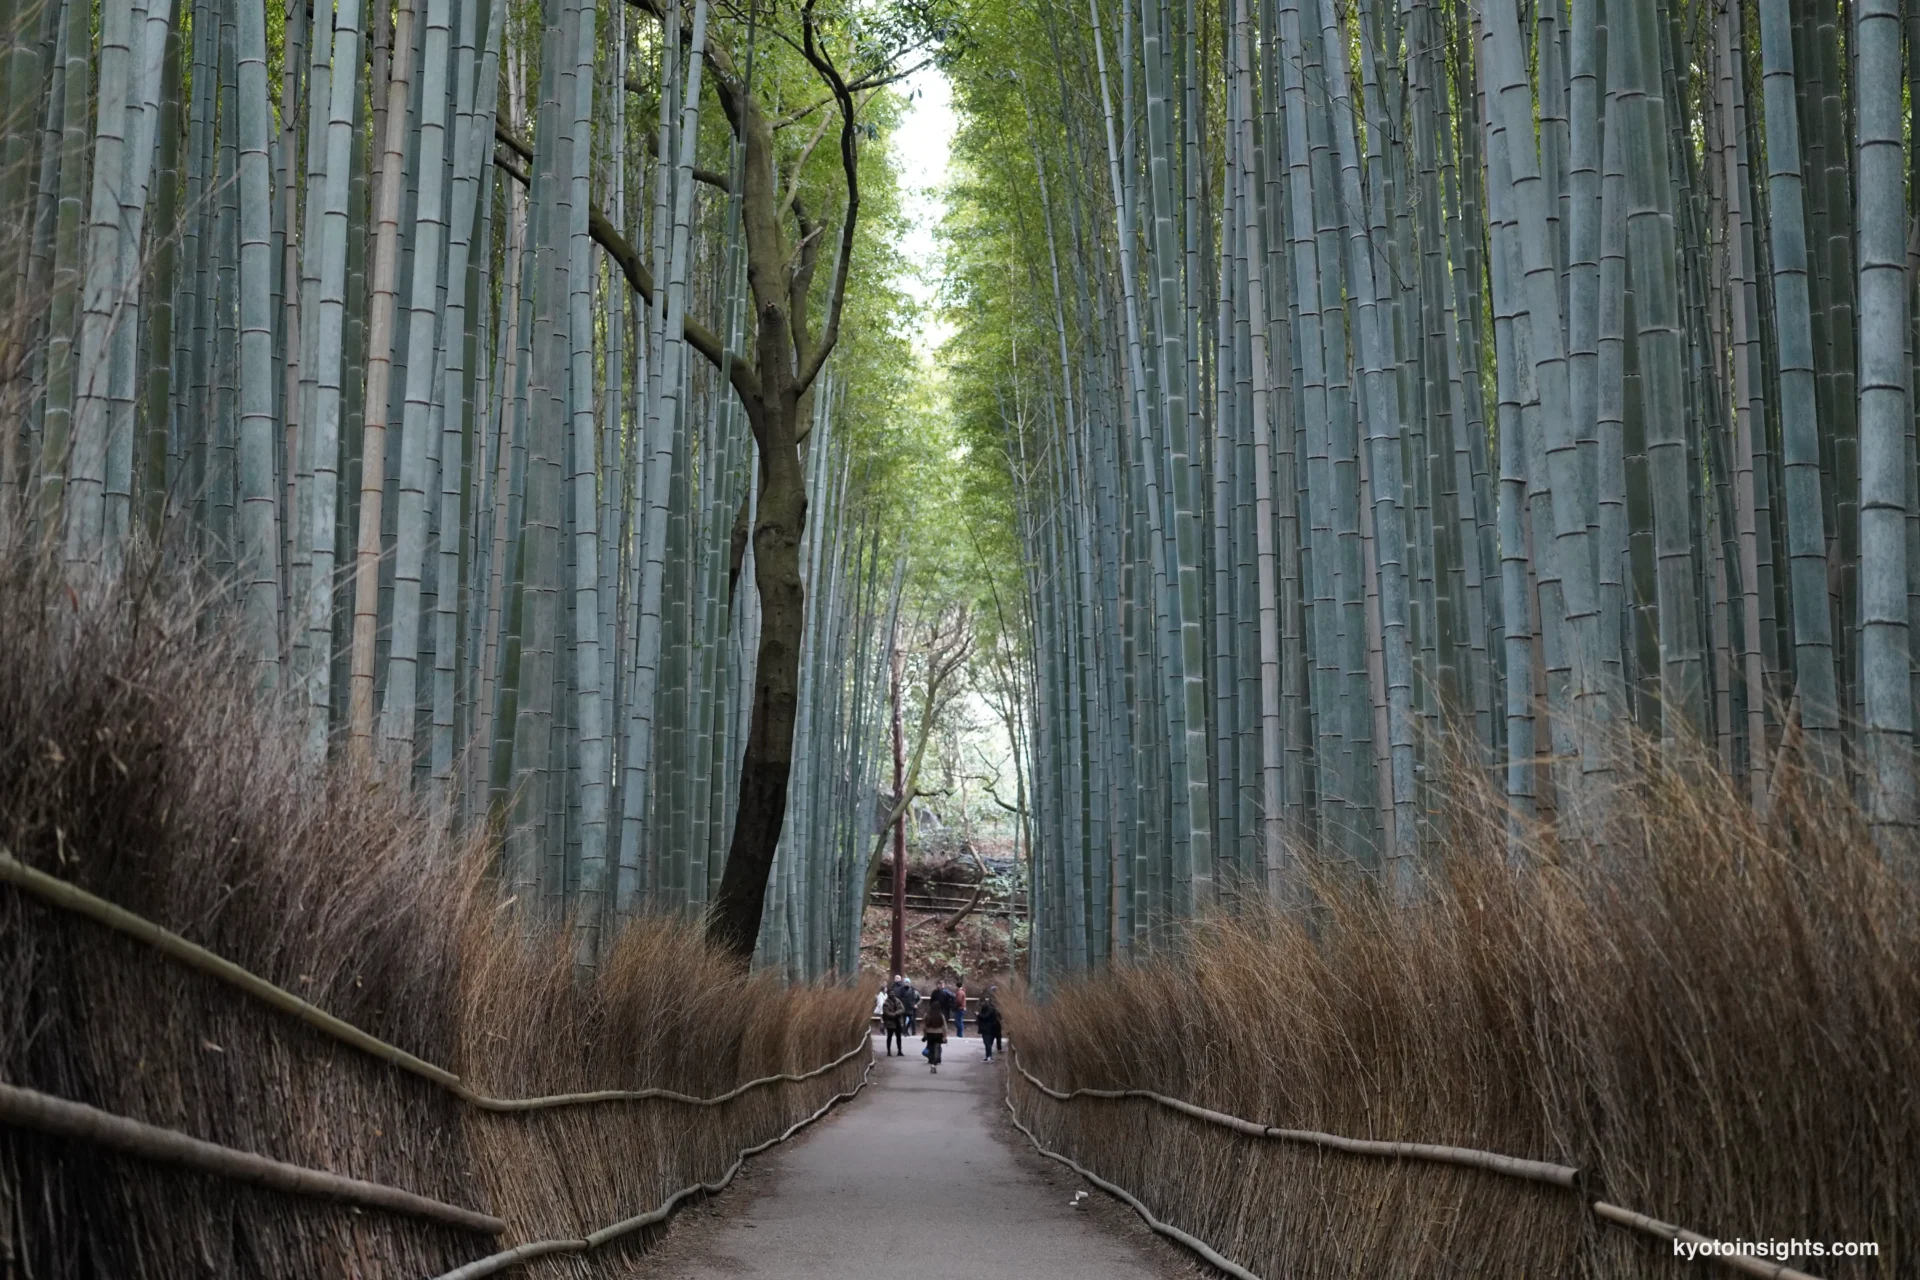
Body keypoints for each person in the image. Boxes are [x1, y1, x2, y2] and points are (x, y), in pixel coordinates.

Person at [975, 985, 1003, 1061]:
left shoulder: (990, 1006)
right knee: (989, 1041)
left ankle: (989, 1055)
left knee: (988, 1041)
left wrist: (979, 1015)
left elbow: (986, 1016)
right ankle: (989, 1055)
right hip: (992, 1025)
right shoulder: (991, 1003)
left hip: (989, 1026)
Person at [921, 999, 949, 1071]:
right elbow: (944, 1027)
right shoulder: (941, 1015)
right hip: (938, 1034)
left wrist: (924, 1034)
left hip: (929, 1034)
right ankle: (934, 1063)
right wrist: (945, 1036)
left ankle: (931, 1059)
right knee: (937, 1048)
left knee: (931, 1049)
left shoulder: (927, 1015)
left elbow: (924, 1026)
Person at [880, 988, 907, 1057]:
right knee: (889, 1037)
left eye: (893, 993)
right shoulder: (886, 1003)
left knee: (899, 1037)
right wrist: (894, 1015)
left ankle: (899, 1050)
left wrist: (897, 1013)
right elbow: (886, 1013)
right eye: (890, 993)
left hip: (898, 1021)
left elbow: (902, 1009)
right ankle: (888, 1051)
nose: (892, 995)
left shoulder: (897, 1001)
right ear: (888, 994)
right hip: (890, 1022)